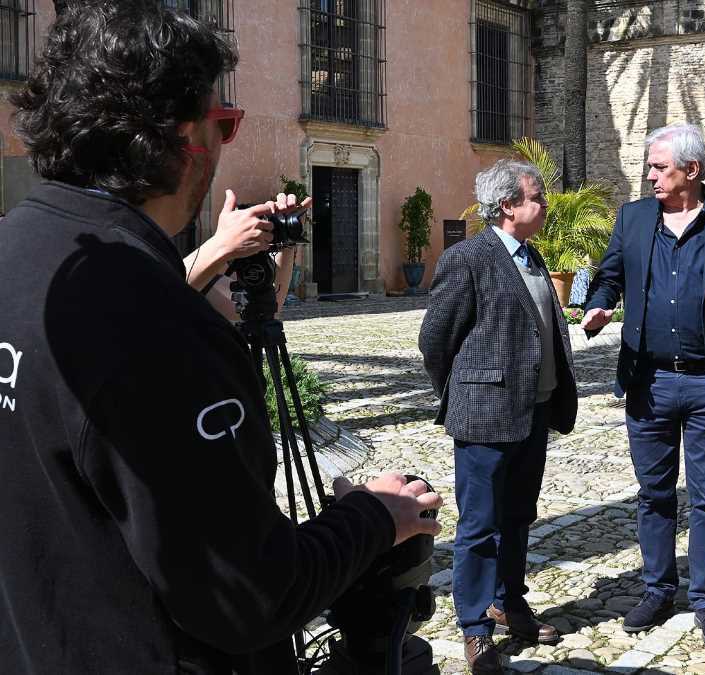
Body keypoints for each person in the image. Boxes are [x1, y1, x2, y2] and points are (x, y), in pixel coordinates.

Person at [0, 4, 441, 674]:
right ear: (185, 139)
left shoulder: (17, 251)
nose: (224, 139)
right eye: (224, 123)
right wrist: (377, 516)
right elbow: (248, 596)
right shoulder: (156, 324)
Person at [581, 123, 705, 648]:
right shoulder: (634, 218)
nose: (650, 176)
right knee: (654, 493)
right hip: (649, 381)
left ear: (693, 170)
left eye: (660, 167)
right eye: (650, 166)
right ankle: (657, 590)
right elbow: (610, 274)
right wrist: (600, 303)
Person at [419, 159, 579, 674]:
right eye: (537, 196)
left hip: (533, 413)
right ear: (508, 204)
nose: (545, 203)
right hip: (485, 416)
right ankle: (475, 628)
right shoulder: (469, 258)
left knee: (519, 517)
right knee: (480, 526)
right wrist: (463, 391)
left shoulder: (532, 257)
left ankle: (510, 603)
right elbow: (434, 339)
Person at [183, 191, 309, 321]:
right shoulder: (168, 274)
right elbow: (164, 293)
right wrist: (222, 243)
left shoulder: (206, 281)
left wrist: (283, 234)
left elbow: (265, 309)